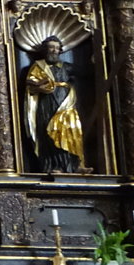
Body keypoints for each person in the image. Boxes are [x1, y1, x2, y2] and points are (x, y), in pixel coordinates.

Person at [25, 36, 85, 173]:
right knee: (50, 133)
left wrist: (97, 60)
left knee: (71, 130)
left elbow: (85, 72)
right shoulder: (38, 66)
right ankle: (55, 166)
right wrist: (40, 85)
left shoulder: (66, 67)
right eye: (51, 47)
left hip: (66, 101)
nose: (54, 50)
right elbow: (31, 83)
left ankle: (75, 165)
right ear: (45, 49)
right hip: (47, 104)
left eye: (57, 48)